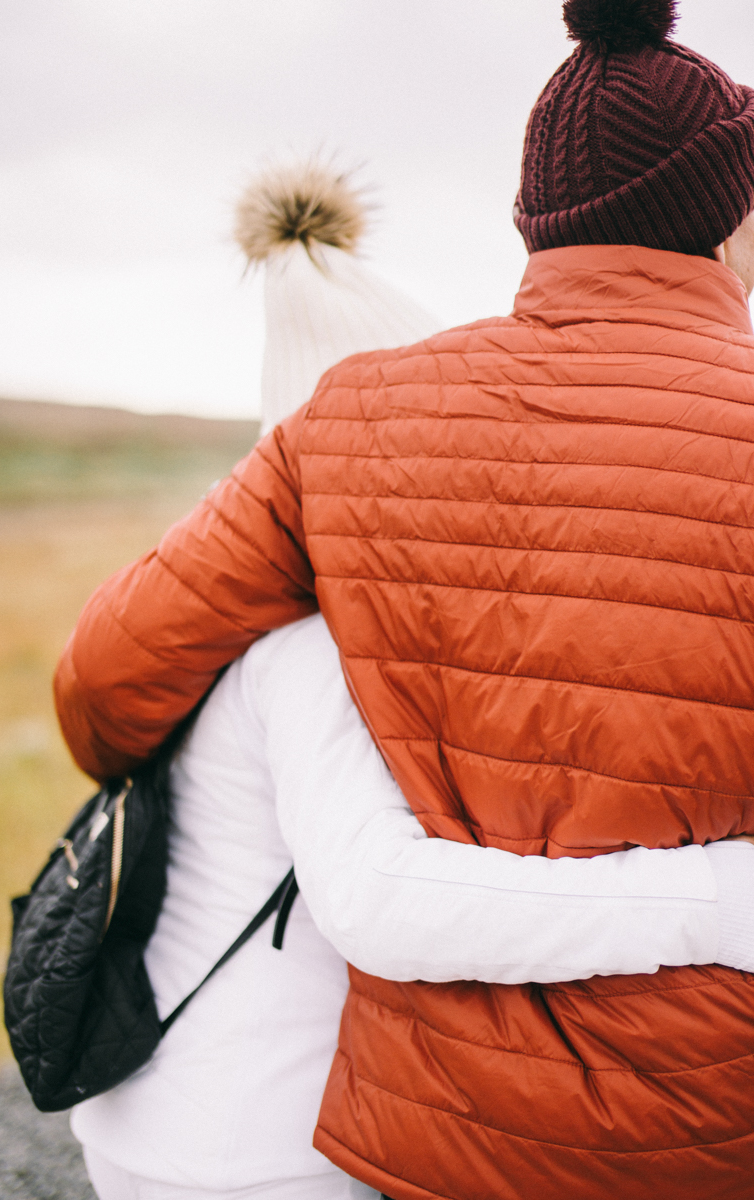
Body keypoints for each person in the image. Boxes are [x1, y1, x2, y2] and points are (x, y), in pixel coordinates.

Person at [55, 0, 754, 1194]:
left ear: (536, 220)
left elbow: (104, 691)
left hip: (438, 1133)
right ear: (726, 213)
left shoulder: (353, 414)